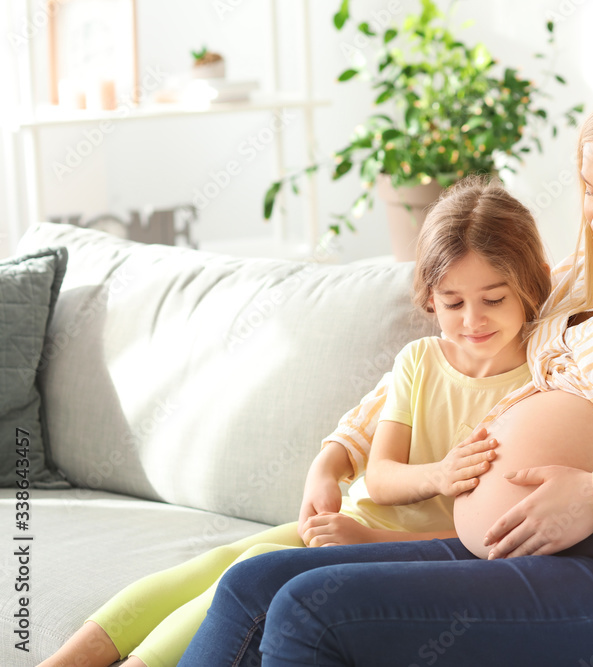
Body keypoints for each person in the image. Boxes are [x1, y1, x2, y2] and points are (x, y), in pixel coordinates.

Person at [179, 75, 593, 666]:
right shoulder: (587, 283)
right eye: (590, 192)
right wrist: (337, 449)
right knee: (254, 583)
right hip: (523, 547)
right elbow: (448, 351)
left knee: (309, 609)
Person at [39, 176, 553, 667]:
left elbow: (490, 534)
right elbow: (380, 475)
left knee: (252, 567)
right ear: (429, 299)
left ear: (528, 285)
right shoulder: (421, 361)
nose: (472, 320)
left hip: (401, 551)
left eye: (493, 299)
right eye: (453, 302)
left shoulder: (540, 386)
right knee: (221, 563)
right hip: (354, 521)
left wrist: (367, 542)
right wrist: (434, 475)